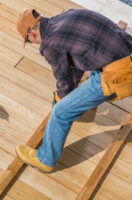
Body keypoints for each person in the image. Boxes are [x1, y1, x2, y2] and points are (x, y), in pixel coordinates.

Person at [15, 9, 132, 173]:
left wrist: (60, 98)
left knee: (60, 113)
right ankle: (88, 102)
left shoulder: (50, 44)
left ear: (32, 35)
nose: (33, 44)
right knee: (87, 73)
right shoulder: (65, 16)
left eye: (28, 41)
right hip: (125, 50)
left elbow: (64, 80)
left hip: (121, 74)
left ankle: (45, 159)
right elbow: (75, 62)